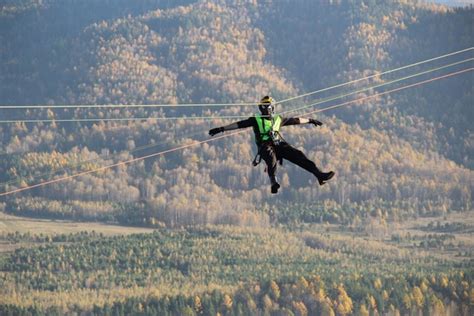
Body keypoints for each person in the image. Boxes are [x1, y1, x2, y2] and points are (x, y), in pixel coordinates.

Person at [209, 95, 335, 194]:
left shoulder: (278, 119)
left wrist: (310, 120)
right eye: (267, 107)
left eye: (270, 107)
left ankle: (319, 175)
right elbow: (239, 124)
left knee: (299, 155)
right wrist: (221, 129)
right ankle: (273, 182)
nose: (269, 109)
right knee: (271, 158)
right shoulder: (256, 120)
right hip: (265, 146)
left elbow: (295, 120)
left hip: (279, 144)